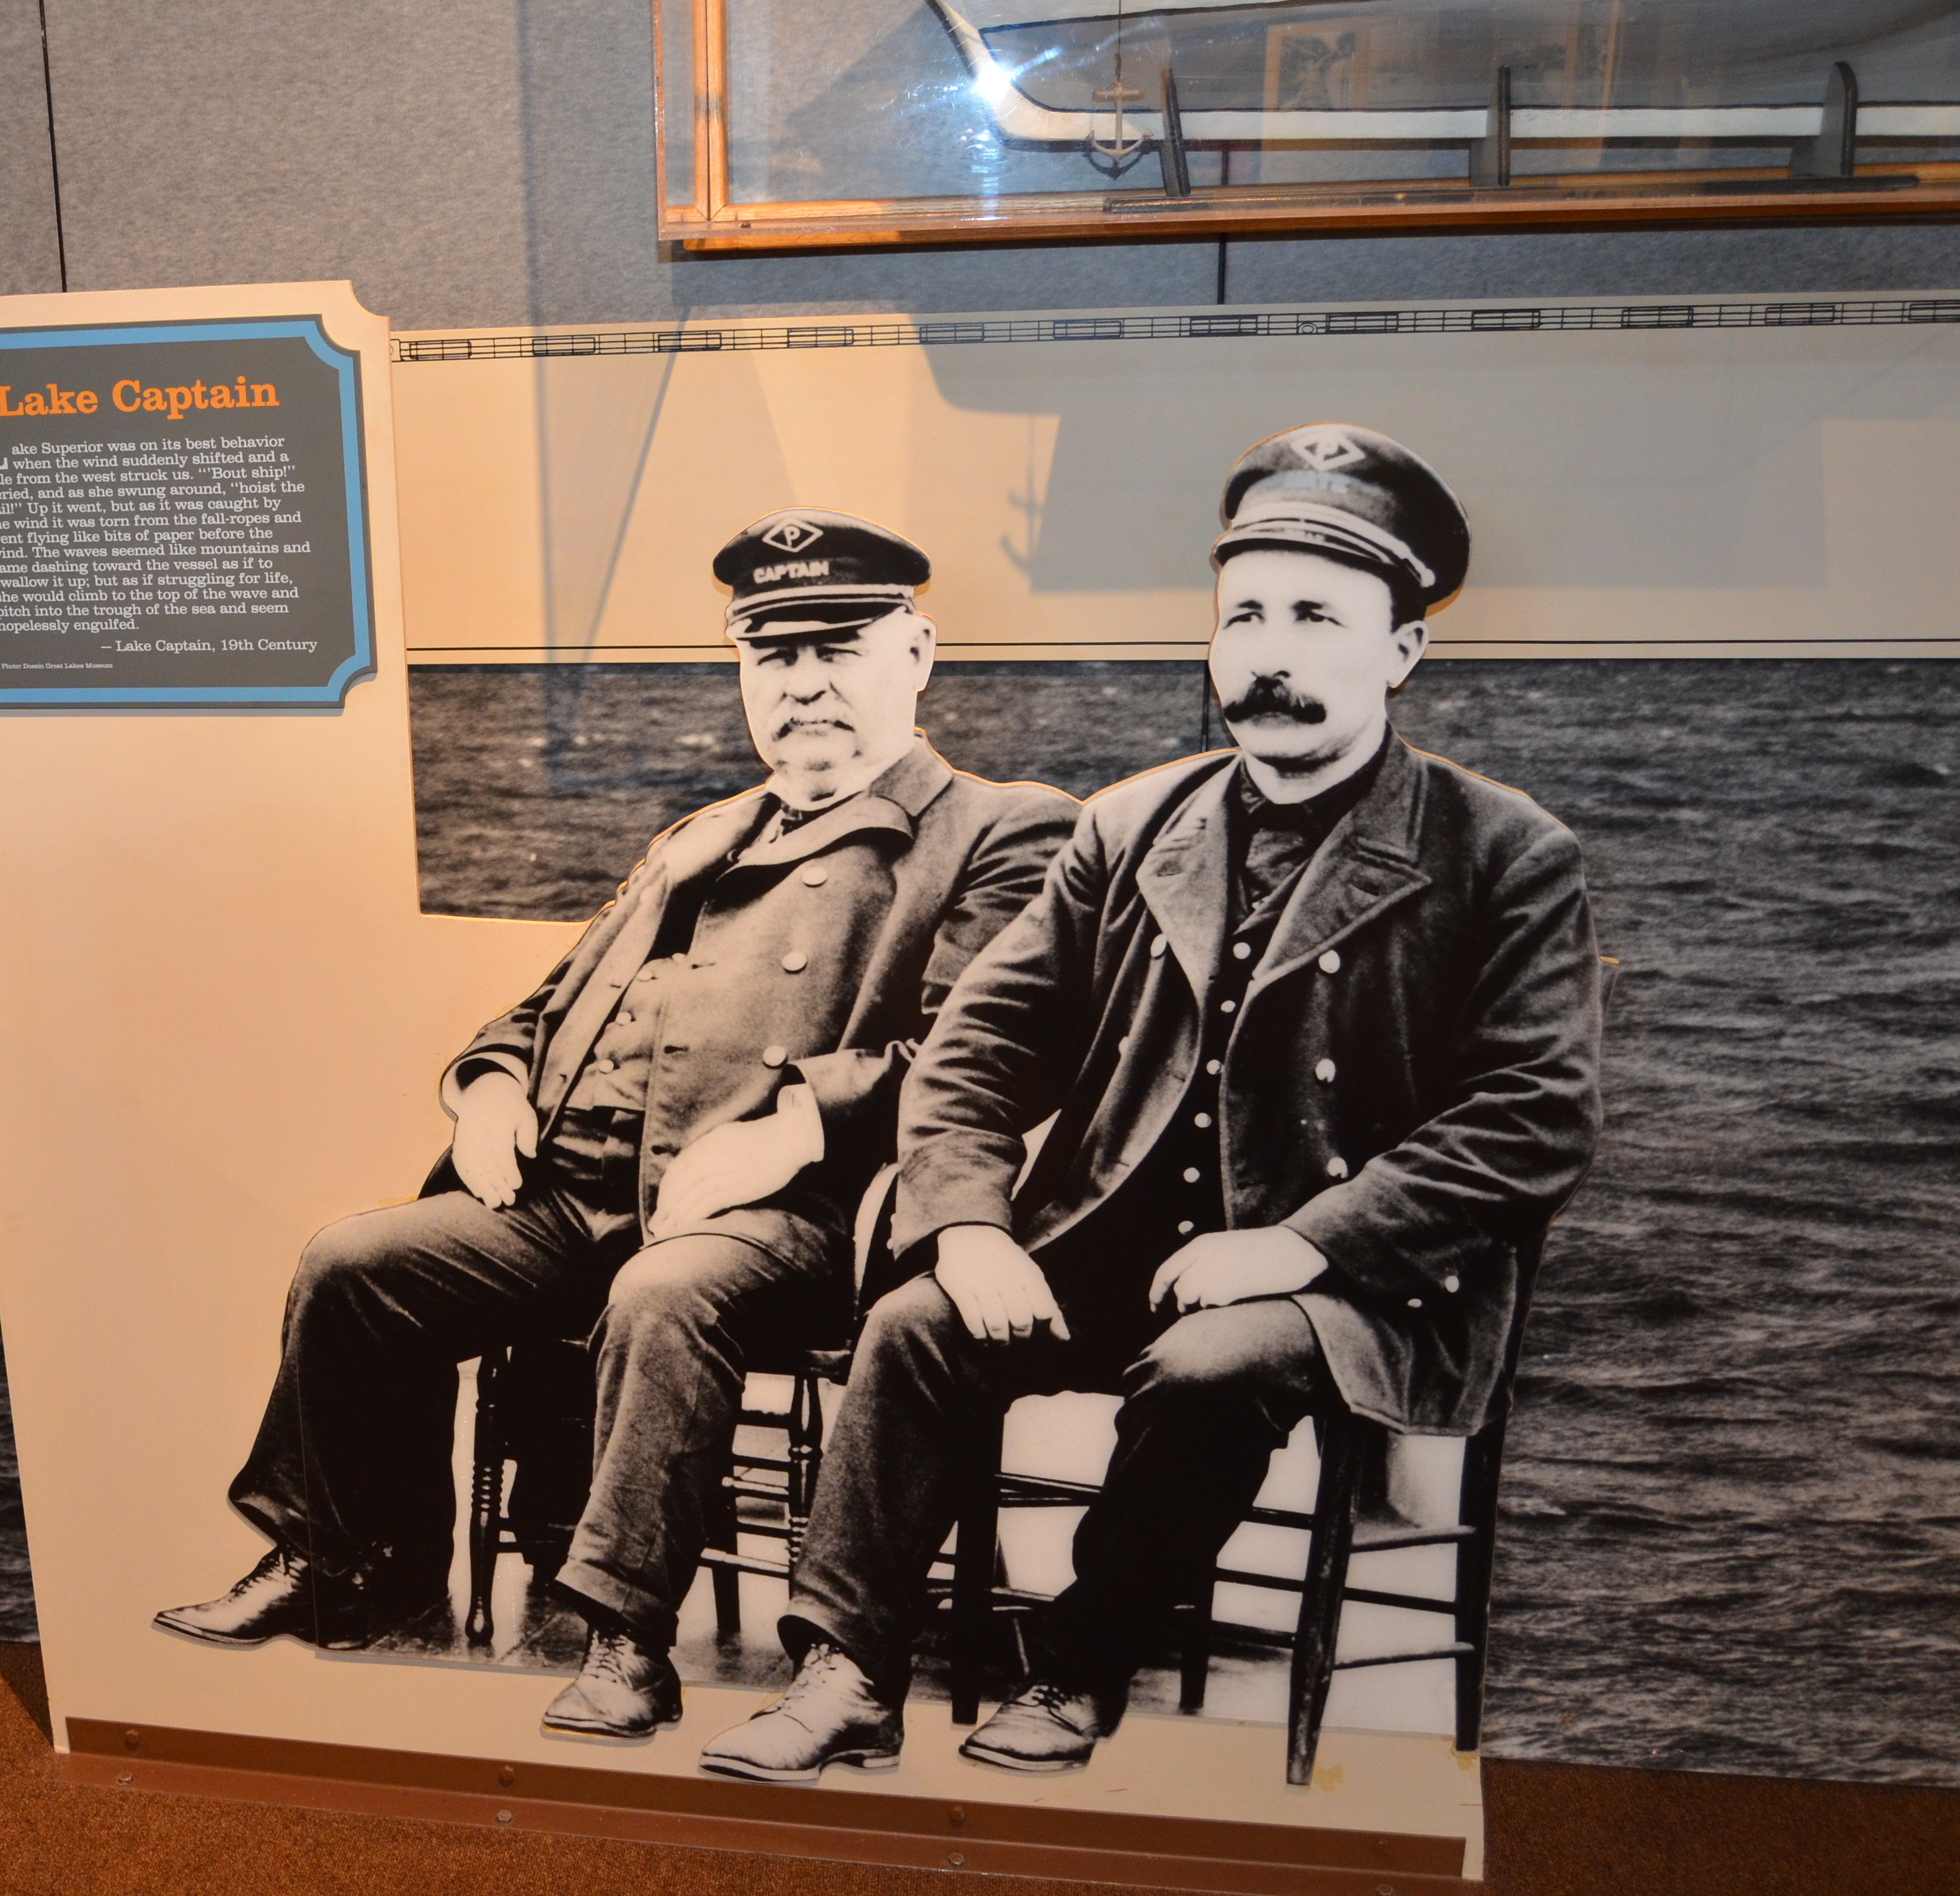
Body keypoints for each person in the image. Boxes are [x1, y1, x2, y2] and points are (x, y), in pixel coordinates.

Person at [700, 426, 1604, 1783]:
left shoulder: (1503, 853)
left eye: (1315, 617)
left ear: (1401, 655)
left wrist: (1307, 1245)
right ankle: (846, 1675)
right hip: (1114, 1242)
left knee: (1208, 1369)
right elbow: (977, 1052)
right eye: (1244, 616)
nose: (1269, 654)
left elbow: (1533, 1112)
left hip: (1354, 1287)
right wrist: (969, 1227)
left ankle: (1075, 1671)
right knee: (916, 1326)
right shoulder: (1130, 825)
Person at [155, 509, 1076, 1743]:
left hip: (786, 1216)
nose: (802, 685)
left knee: (664, 1290)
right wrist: (487, 1083)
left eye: (837, 649)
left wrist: (800, 1126)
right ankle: (344, 1561)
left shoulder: (1000, 830)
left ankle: (625, 1641)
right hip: (579, 1190)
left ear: (915, 653)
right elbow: (548, 1001)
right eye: (772, 658)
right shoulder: (700, 834)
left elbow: (982, 1050)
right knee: (350, 1266)